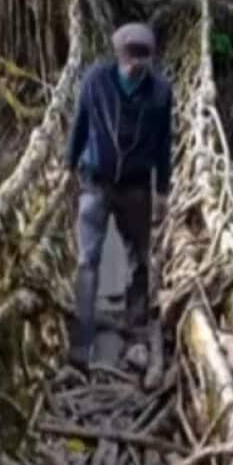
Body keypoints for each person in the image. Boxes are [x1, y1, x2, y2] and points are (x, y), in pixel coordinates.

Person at [64, 22, 173, 379]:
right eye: (131, 56)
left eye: (143, 57)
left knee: (139, 260)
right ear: (119, 55)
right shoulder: (96, 81)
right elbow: (80, 125)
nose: (136, 64)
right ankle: (81, 347)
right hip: (95, 181)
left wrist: (162, 190)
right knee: (87, 260)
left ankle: (136, 337)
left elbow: (164, 144)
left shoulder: (160, 92)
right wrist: (67, 168)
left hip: (136, 187)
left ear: (151, 58)